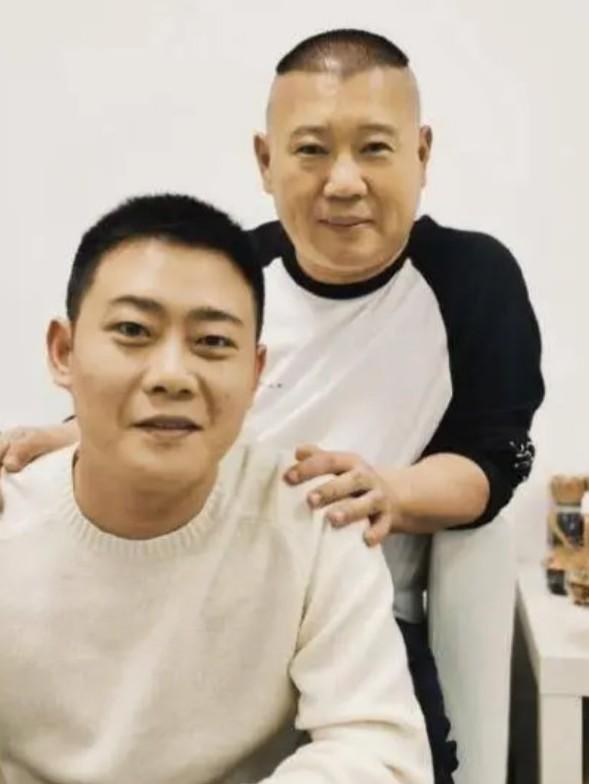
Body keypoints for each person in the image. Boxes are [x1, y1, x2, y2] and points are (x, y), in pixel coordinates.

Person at [0, 29, 545, 784]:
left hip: (349, 588)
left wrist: (386, 492)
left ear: (421, 153)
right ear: (266, 160)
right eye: (312, 150)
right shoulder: (231, 273)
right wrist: (57, 440)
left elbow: (493, 456)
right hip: (195, 570)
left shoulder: (469, 279)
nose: (343, 182)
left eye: (374, 149)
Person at [0, 193, 433, 784]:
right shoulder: (11, 518)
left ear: (255, 374)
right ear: (63, 353)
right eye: (133, 331)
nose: (173, 375)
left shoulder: (314, 522)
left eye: (211, 342)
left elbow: (379, 754)